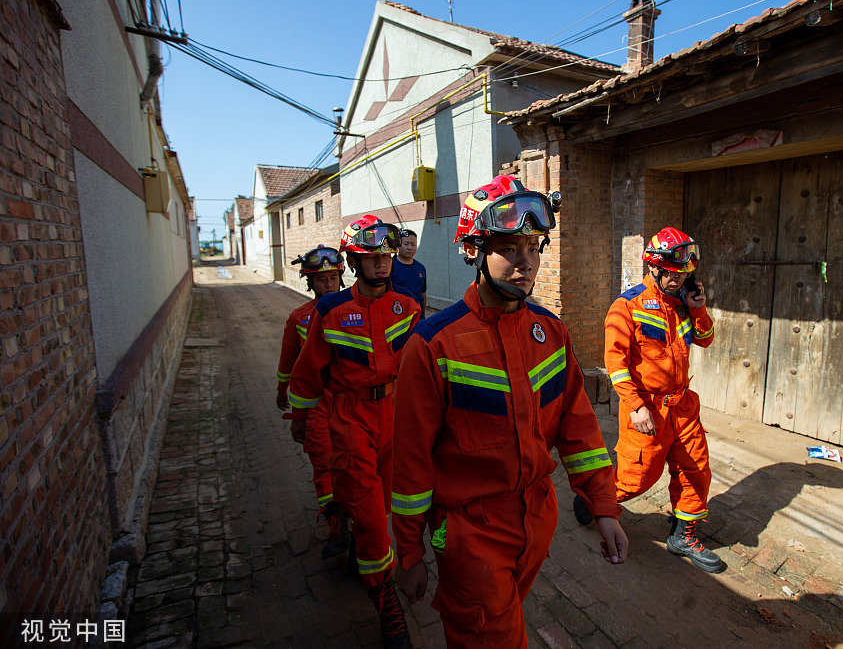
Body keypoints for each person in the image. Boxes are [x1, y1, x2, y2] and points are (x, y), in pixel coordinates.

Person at [391, 175, 628, 648]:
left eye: (534, 247)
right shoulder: (433, 344)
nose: (526, 264)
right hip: (469, 535)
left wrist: (603, 506)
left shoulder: (551, 333)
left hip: (538, 519)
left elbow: (578, 428)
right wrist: (411, 552)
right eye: (509, 249)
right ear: (474, 251)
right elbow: (412, 461)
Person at [287, 215, 419, 649]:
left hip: (397, 415)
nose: (381, 264)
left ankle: (357, 539)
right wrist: (303, 419)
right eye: (371, 256)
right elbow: (306, 375)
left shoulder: (409, 307)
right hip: (349, 420)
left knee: (390, 503)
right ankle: (386, 604)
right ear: (353, 260)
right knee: (369, 516)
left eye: (385, 256)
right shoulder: (330, 312)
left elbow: (423, 368)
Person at [578, 227, 721, 573]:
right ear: (654, 268)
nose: (679, 278)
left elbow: (705, 340)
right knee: (636, 479)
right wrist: (635, 406)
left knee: (695, 470)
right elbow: (615, 363)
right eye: (672, 273)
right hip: (647, 409)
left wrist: (698, 309)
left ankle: (682, 536)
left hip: (683, 407)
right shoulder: (626, 306)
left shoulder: (684, 302)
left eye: (684, 273)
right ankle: (591, 499)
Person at [275, 245, 348, 560]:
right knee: (324, 465)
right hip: (316, 405)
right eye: (322, 280)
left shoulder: (352, 311)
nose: (329, 285)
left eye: (333, 278)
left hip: (349, 403)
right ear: (310, 282)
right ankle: (336, 527)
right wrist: (283, 391)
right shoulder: (299, 317)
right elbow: (289, 359)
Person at [391, 228, 427, 311]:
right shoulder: (389, 267)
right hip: (397, 317)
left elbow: (423, 294)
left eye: (413, 244)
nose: (409, 247)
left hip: (418, 317)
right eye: (406, 244)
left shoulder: (421, 268)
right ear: (398, 244)